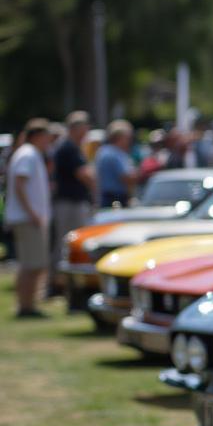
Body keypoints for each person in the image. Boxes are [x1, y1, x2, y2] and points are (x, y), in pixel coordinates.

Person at [4, 119, 53, 317]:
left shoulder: (29, 154)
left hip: (28, 217)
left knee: (34, 264)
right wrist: (32, 213)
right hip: (27, 218)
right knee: (31, 264)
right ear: (37, 136)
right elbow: (19, 184)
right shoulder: (28, 155)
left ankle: (28, 305)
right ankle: (26, 306)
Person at [51, 111, 94, 273]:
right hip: (69, 203)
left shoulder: (74, 146)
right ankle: (58, 281)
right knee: (66, 243)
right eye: (84, 128)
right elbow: (84, 175)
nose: (87, 131)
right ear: (75, 128)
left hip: (72, 201)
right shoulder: (68, 147)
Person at [96, 120, 136, 207]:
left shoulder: (103, 151)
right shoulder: (114, 154)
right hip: (115, 199)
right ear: (119, 137)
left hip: (107, 197)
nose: (129, 141)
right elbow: (126, 178)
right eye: (127, 138)